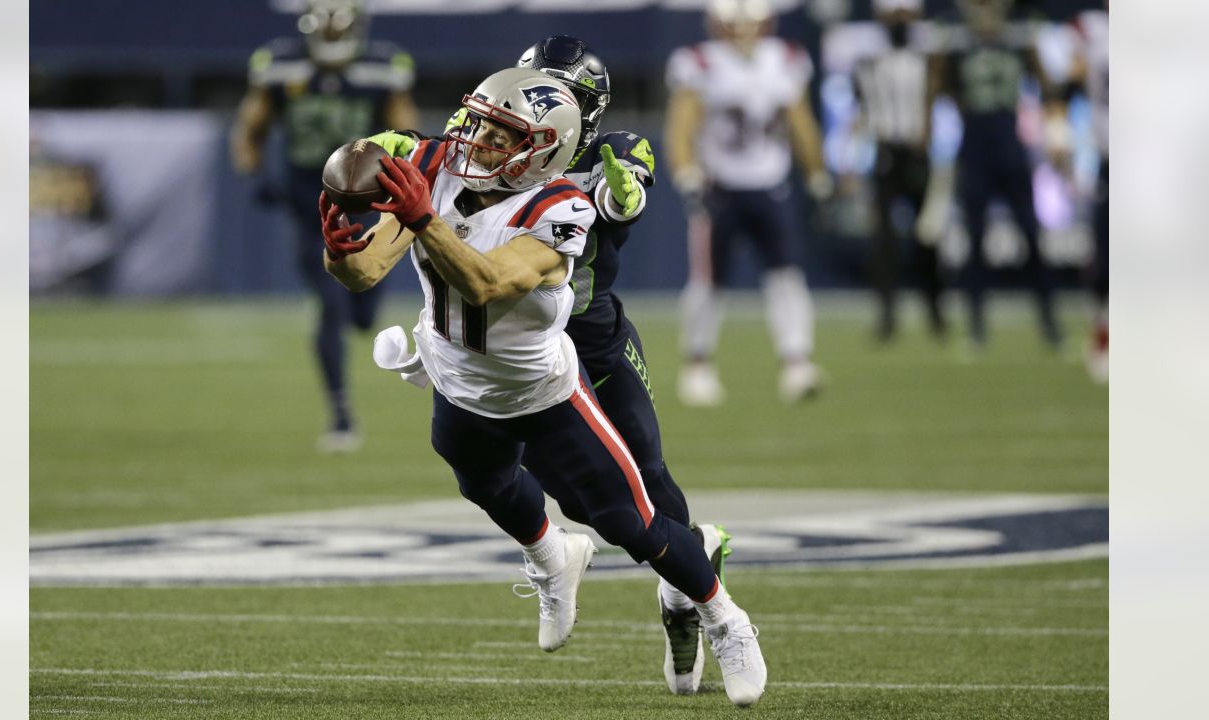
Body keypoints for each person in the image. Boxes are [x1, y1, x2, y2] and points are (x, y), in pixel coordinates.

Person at [319, 67, 767, 707]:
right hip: (458, 380)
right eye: (477, 123)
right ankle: (555, 558)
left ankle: (727, 618)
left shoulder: (560, 206)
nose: (477, 142)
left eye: (501, 136)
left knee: (630, 520)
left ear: (544, 149)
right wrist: (337, 246)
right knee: (486, 485)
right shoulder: (436, 165)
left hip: (542, 391)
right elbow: (363, 273)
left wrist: (422, 217)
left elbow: (487, 283)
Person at [231, 0, 418, 452]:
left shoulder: (382, 68)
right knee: (330, 305)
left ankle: (345, 385)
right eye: (326, 28)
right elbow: (249, 129)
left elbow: (407, 137)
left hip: (366, 204)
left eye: (341, 29)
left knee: (361, 313)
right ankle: (340, 413)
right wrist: (255, 175)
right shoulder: (279, 64)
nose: (333, 37)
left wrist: (403, 180)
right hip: (309, 204)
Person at [665, 0, 833, 406]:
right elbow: (682, 123)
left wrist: (816, 172)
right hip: (719, 187)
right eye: (733, 25)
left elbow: (800, 119)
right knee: (708, 280)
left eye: (750, 24)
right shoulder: (700, 62)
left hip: (769, 184)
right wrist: (686, 172)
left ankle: (796, 362)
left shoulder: (785, 60)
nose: (742, 33)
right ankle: (697, 364)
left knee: (785, 275)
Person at [927, 0, 1063, 353]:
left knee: (1031, 235)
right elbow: (937, 87)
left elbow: (1046, 86)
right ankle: (976, 327)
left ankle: (1049, 322)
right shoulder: (955, 40)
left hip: (1008, 143)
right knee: (974, 240)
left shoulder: (1019, 37)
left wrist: (1058, 134)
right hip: (974, 146)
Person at [854, 0, 946, 341]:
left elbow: (936, 103)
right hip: (885, 153)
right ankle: (887, 316)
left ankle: (936, 313)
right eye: (893, 16)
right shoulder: (869, 62)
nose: (898, 23)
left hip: (918, 153)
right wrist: (852, 159)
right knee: (883, 242)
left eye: (904, 15)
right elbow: (861, 110)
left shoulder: (928, 59)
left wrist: (929, 137)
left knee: (928, 236)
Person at [1066, 2, 1108, 382]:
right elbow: (1071, 71)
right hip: (1110, 163)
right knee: (1103, 263)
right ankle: (1104, 338)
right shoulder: (1091, 29)